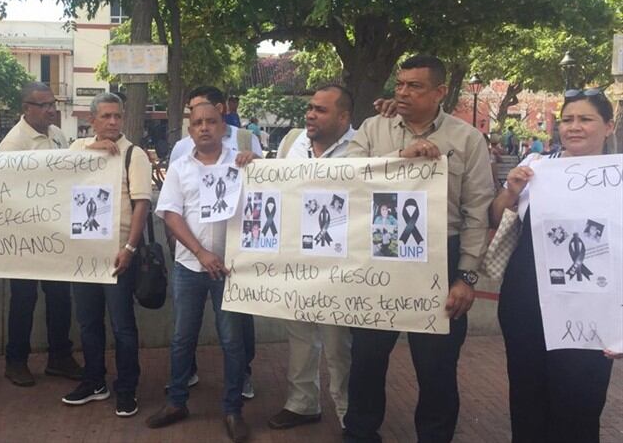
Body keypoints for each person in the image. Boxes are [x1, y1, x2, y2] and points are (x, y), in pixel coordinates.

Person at [343, 54, 494, 443]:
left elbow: (477, 212)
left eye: (416, 85)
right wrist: (398, 160)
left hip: (441, 258)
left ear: (440, 92)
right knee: (366, 360)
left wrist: (466, 276)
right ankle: (360, 434)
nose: (404, 92)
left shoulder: (467, 139)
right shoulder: (373, 131)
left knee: (437, 368)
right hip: (380, 255)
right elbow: (344, 180)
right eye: (400, 84)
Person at [491, 89, 620, 443]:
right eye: (567, 119)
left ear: (608, 126)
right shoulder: (535, 168)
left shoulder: (618, 178)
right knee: (528, 399)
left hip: (590, 309)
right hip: (527, 302)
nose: (573, 127)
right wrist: (511, 191)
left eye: (585, 119)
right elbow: (496, 215)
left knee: (580, 404)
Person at [146, 91, 257, 443]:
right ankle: (177, 401)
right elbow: (172, 215)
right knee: (181, 339)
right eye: (197, 123)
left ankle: (232, 410)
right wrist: (200, 252)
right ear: (189, 131)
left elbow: (270, 199)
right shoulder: (179, 169)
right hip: (188, 267)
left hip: (231, 270)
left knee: (232, 341)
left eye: (211, 121)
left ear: (223, 126)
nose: (204, 127)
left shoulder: (243, 164)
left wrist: (259, 166)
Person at [268, 84, 355, 430]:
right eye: (310, 108)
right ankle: (302, 403)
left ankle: (350, 415)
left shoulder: (363, 147)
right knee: (300, 335)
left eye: (321, 109)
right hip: (296, 258)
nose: (310, 114)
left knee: (337, 343)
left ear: (344, 116)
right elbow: (274, 187)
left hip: (339, 262)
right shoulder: (292, 143)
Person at [62, 92, 151, 417]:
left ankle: (126, 388)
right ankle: (94, 381)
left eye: (118, 116)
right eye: (107, 116)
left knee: (122, 325)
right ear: (92, 120)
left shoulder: (134, 154)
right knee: (87, 323)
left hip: (118, 256)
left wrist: (129, 247)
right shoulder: (75, 150)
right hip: (83, 255)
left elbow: (142, 204)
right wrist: (89, 152)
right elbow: (52, 176)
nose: (113, 122)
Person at [0, 81, 83, 387]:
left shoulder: (59, 136)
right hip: (24, 234)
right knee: (23, 298)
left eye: (52, 104)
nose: (51, 110)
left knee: (60, 297)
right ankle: (16, 361)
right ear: (27, 108)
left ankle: (59, 356)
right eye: (44, 105)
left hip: (57, 232)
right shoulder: (12, 145)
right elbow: (6, 193)